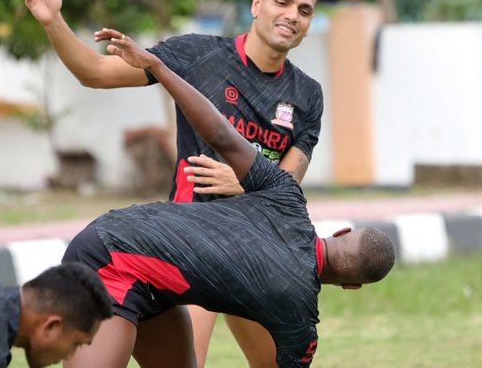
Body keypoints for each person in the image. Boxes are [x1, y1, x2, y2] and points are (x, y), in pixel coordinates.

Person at [25, 0, 324, 366]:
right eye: (282, 2)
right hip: (190, 246)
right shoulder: (198, 55)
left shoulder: (307, 95)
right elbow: (94, 72)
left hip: (255, 253)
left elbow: (289, 185)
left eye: (304, 11)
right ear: (257, 4)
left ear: (308, 26)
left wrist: (242, 185)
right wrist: (53, 20)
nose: (291, 15)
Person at [59, 31, 396, 368]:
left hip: (142, 267)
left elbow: (220, 133)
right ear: (352, 286)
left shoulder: (286, 195)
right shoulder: (299, 320)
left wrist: (159, 68)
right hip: (111, 259)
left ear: (340, 233)